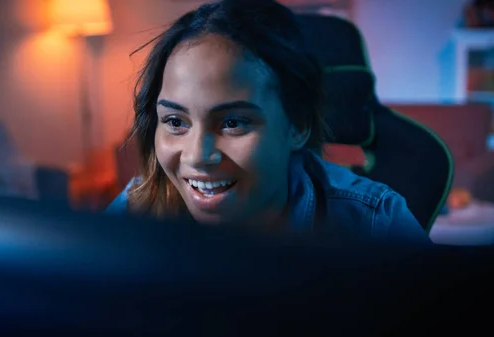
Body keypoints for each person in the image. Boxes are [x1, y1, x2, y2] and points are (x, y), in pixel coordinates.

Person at [106, 0, 431, 243]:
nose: (196, 156)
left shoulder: (375, 224)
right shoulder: (138, 209)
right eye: (176, 121)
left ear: (298, 125)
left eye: (233, 122)